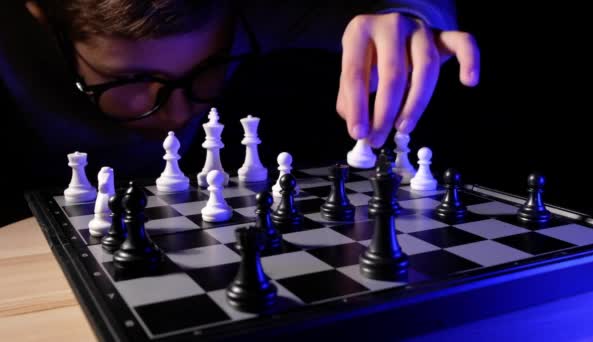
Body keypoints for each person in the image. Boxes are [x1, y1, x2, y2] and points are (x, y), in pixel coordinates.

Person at [0, 0, 479, 225]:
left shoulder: (245, 17)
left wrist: (414, 16)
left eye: (208, 69)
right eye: (128, 82)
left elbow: (391, 13)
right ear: (43, 17)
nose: (177, 114)